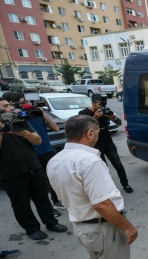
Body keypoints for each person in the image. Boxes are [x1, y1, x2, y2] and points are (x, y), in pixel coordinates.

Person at [47, 115, 148, 259]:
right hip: (103, 226)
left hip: (81, 225)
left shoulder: (55, 160)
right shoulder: (90, 161)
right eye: (97, 132)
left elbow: (61, 196)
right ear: (90, 133)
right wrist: (128, 227)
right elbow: (102, 204)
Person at [0, 97, 68, 241]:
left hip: (33, 167)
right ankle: (32, 229)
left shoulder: (20, 122)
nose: (10, 108)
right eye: (5, 107)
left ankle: (51, 222)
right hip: (11, 174)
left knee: (42, 198)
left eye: (9, 105)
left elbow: (38, 140)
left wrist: (23, 132)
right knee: (21, 204)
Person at [5, 91, 63, 216]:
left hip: (47, 150)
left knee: (53, 178)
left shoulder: (37, 113)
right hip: (33, 155)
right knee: (41, 186)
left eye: (28, 101)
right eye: (22, 101)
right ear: (12, 103)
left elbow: (56, 128)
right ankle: (49, 210)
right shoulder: (18, 117)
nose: (27, 103)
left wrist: (44, 115)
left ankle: (56, 201)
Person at [79, 94, 133, 193]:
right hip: (95, 145)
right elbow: (84, 129)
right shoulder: (83, 113)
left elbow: (119, 123)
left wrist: (113, 118)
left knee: (118, 165)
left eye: (104, 104)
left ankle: (125, 184)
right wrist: (95, 118)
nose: (102, 106)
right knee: (103, 168)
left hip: (108, 142)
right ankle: (107, 188)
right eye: (100, 104)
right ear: (93, 103)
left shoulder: (105, 110)